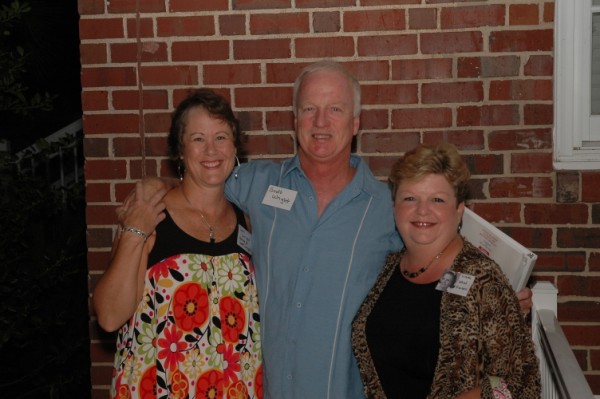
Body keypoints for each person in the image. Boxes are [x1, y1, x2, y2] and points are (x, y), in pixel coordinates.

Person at [123, 60, 534, 398]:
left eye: (335, 109)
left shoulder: (387, 206)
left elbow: (435, 252)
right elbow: (201, 177)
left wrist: (492, 301)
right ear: (295, 119)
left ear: (355, 122)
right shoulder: (257, 184)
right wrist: (154, 187)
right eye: (309, 109)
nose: (321, 122)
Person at [94, 89, 263, 399]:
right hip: (161, 388)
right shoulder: (150, 213)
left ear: (235, 146)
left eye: (221, 137)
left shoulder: (246, 219)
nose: (211, 150)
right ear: (180, 151)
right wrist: (135, 230)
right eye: (198, 138)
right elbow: (107, 316)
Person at [351, 143, 541, 399]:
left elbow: (519, 383)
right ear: (394, 207)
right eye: (410, 198)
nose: (422, 210)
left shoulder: (483, 277)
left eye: (437, 199)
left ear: (459, 210)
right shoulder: (386, 269)